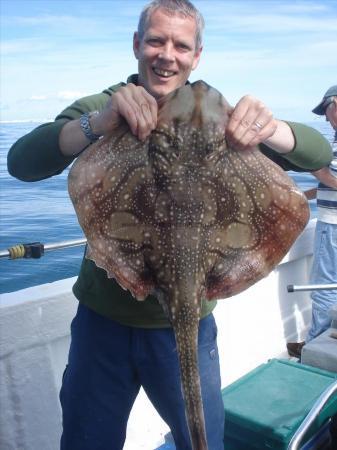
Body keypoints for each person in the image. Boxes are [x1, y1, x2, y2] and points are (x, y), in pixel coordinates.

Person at [7, 1, 333, 449]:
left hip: (190, 324)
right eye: (156, 40)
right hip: (103, 324)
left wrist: (271, 127)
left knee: (201, 440)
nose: (167, 54)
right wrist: (99, 123)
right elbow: (22, 162)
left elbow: (315, 154)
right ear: (138, 45)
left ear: (196, 55)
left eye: (181, 45)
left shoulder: (221, 117)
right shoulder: (108, 106)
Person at [287, 85, 337, 360]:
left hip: (332, 226)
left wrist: (311, 163)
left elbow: (331, 177)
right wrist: (299, 195)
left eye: (327, 111)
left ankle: (315, 349)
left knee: (324, 287)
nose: (326, 119)